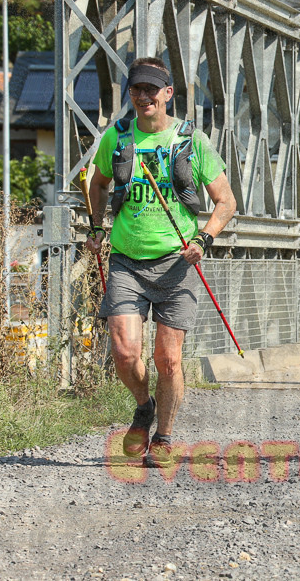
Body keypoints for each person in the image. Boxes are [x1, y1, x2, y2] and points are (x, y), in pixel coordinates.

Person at [86, 57, 236, 468]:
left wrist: (204, 239)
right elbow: (97, 184)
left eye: (152, 89)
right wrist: (96, 227)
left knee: (167, 359)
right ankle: (143, 406)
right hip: (126, 261)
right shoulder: (117, 138)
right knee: (124, 351)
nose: (143, 96)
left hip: (176, 263)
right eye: (136, 89)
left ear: (168, 93)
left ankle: (165, 437)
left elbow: (226, 202)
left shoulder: (191, 140)